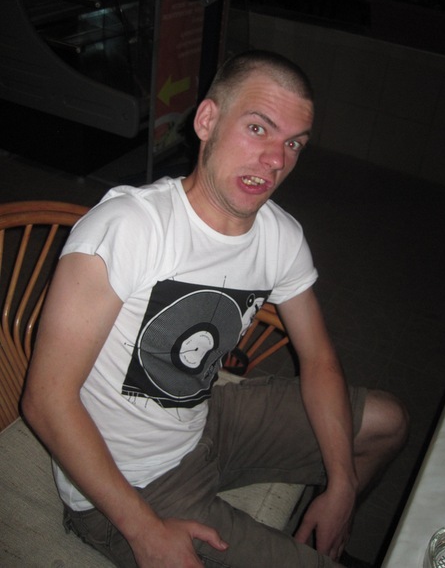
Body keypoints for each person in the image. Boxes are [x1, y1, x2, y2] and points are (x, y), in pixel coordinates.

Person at [22, 50, 408, 568]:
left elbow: (318, 358)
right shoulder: (130, 228)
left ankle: (324, 529)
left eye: (293, 143)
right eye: (258, 128)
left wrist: (342, 484)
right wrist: (144, 531)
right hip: (128, 482)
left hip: (203, 423)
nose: (276, 160)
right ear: (207, 121)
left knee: (387, 422)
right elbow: (46, 399)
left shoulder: (279, 236)